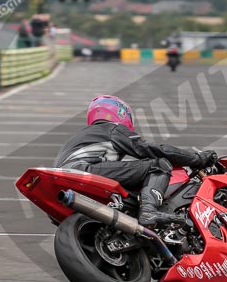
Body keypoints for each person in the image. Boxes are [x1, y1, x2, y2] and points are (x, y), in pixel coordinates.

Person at [54, 95, 217, 227]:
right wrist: (197, 159)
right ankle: (149, 210)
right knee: (159, 164)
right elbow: (150, 149)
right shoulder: (112, 129)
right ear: (121, 113)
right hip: (83, 170)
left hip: (61, 180)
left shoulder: (79, 137)